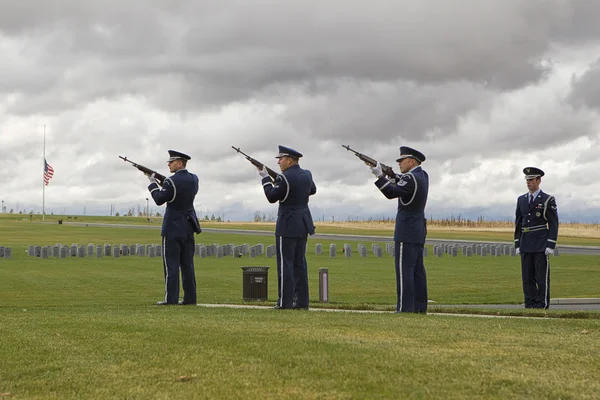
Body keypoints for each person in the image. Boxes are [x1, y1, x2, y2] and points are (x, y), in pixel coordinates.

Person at [369, 146, 429, 313]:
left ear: (411, 161)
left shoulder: (410, 178)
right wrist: (393, 176)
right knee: (417, 272)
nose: (400, 164)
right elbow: (403, 185)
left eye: (402, 161)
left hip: (406, 229)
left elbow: (391, 192)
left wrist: (380, 176)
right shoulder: (423, 175)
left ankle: (404, 308)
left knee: (404, 272)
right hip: (417, 229)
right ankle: (419, 307)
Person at [258, 145, 316, 310]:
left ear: (289, 160)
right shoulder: (307, 174)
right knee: (300, 264)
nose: (279, 163)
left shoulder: (284, 178)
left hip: (287, 225)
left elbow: (271, 197)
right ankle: (302, 302)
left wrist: (265, 179)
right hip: (303, 223)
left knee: (286, 265)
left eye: (281, 159)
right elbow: (312, 190)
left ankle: (285, 302)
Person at [147, 150, 202, 305]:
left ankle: (170, 299)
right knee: (187, 265)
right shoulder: (194, 179)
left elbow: (159, 199)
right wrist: (163, 184)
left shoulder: (171, 181)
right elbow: (180, 194)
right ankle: (190, 298)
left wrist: (152, 183)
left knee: (171, 266)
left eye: (171, 162)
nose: (168, 164)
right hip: (188, 227)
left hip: (172, 228)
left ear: (179, 163)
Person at [514, 167, 558, 309]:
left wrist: (550, 244)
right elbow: (518, 222)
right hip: (526, 242)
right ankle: (530, 304)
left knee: (541, 278)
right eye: (527, 180)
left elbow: (553, 223)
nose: (529, 182)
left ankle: (541, 305)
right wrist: (517, 243)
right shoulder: (521, 200)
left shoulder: (547, 199)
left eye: (531, 180)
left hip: (540, 243)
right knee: (527, 278)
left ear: (539, 180)